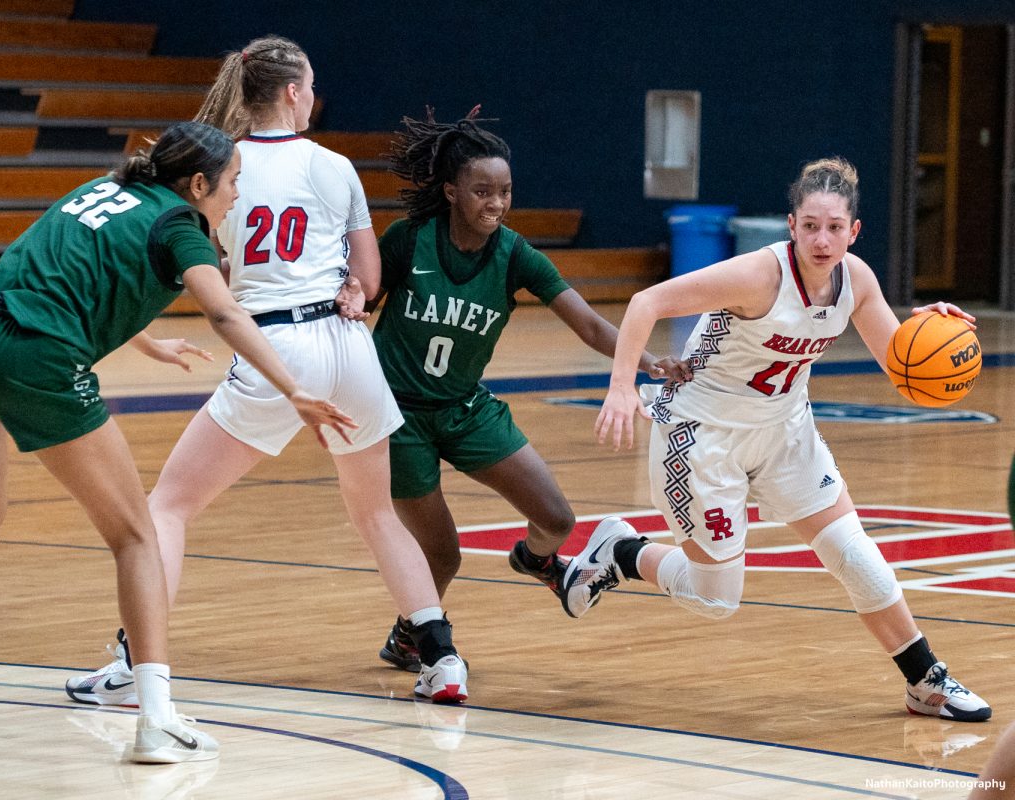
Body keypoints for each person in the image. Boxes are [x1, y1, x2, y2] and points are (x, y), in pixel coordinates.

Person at [0, 121, 357, 764]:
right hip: (36, 357)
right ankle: (156, 717)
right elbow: (225, 311)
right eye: (232, 186)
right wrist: (293, 390)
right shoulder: (180, 225)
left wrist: (147, 341)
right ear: (197, 184)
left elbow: (67, 267)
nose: (236, 199)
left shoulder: (100, 190)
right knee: (137, 534)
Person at [64, 36, 468, 707]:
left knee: (167, 506)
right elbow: (367, 280)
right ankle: (443, 660)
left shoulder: (217, 166)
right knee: (375, 512)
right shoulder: (336, 167)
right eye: (310, 85)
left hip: (276, 344)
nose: (315, 96)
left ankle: (137, 670)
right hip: (347, 346)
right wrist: (350, 294)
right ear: (290, 92)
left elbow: (211, 271)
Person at [563, 156, 991, 722]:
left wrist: (929, 333)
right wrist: (621, 388)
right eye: (810, 225)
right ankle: (620, 551)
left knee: (855, 552)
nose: (822, 238)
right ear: (791, 225)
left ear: (853, 231)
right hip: (703, 436)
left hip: (786, 431)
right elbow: (647, 303)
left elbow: (904, 369)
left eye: (834, 227)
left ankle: (924, 680)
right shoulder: (759, 275)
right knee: (716, 598)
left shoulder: (856, 281)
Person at [365, 108, 690, 672]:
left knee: (558, 520)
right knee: (443, 552)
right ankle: (407, 635)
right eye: (481, 191)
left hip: (466, 408)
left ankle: (535, 562)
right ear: (451, 192)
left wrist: (647, 359)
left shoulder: (516, 254)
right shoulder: (407, 240)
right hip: (399, 417)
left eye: (505, 191)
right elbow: (357, 307)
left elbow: (589, 324)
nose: (495, 203)